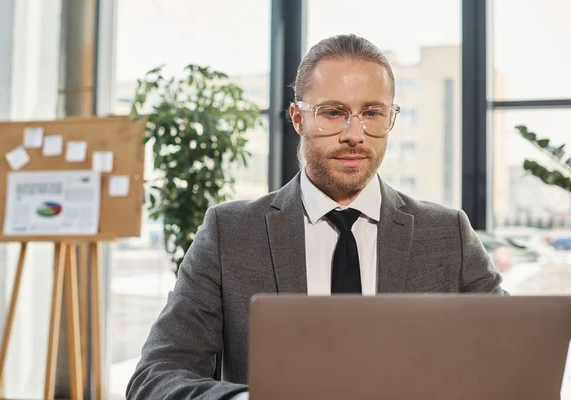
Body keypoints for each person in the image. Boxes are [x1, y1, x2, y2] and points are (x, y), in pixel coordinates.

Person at [126, 34, 505, 400]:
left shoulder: (447, 234)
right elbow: (155, 378)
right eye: (333, 113)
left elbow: (510, 359)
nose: (354, 134)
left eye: (372, 113)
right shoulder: (230, 234)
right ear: (297, 118)